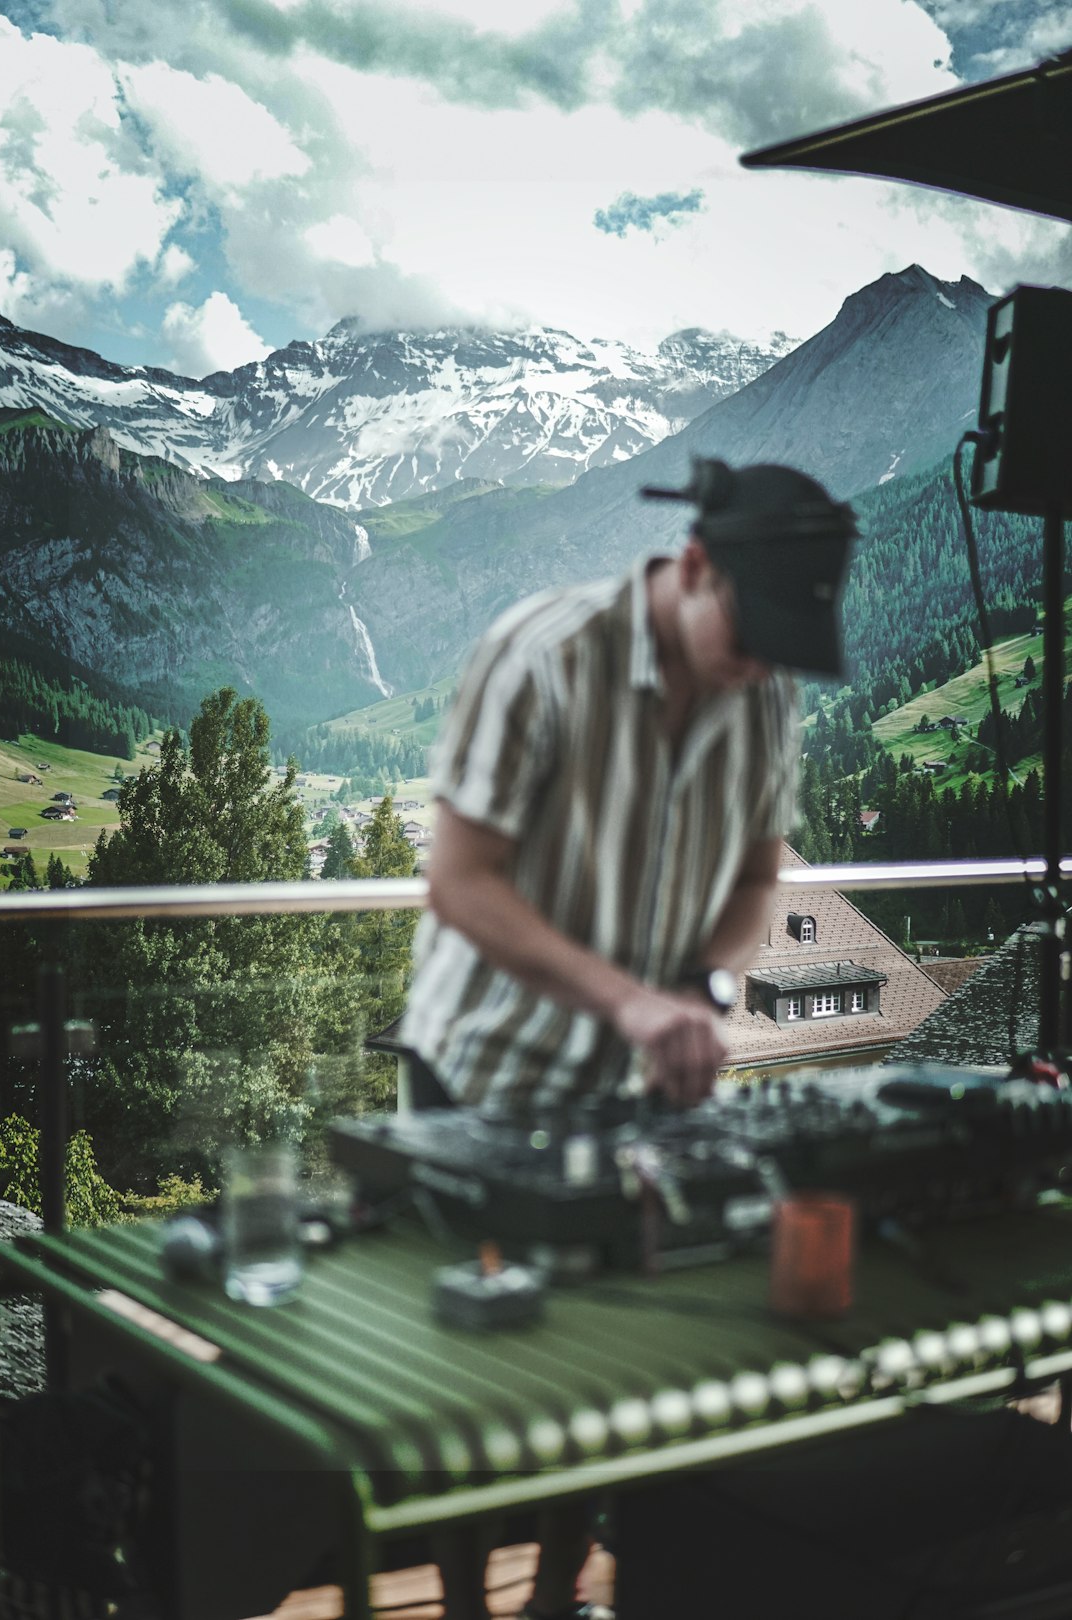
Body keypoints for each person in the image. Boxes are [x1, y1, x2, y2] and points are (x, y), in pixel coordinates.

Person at [401, 456, 858, 1619]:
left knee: (597, 1364)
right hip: (481, 1076)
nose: (757, 668)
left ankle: (558, 1598)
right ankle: (462, 1606)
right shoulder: (545, 654)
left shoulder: (764, 686)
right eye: (745, 636)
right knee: (473, 1375)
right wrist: (630, 1002)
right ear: (691, 565)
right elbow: (460, 882)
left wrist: (705, 984)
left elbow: (762, 870)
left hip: (628, 1093)